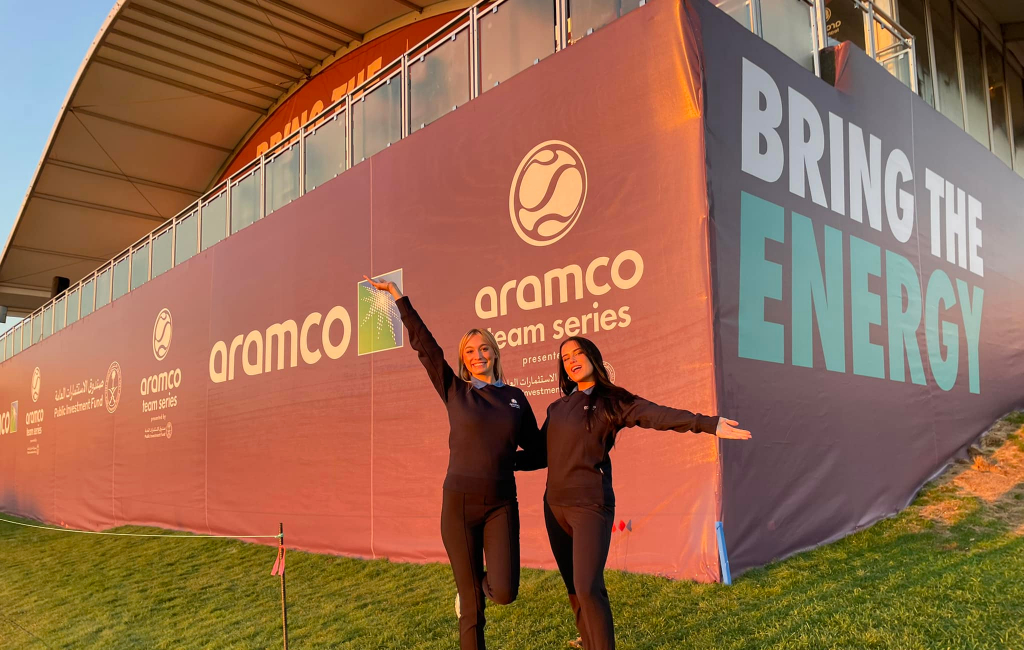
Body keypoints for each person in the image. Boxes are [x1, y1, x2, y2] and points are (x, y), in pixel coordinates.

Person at [518, 336, 751, 650]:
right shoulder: (557, 407)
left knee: (588, 586)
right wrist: (498, 461)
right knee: (574, 587)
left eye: (578, 353)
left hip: (590, 505)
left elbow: (656, 415)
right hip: (554, 506)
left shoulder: (612, 400)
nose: (572, 360)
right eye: (566, 357)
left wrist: (706, 424)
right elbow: (540, 456)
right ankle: (589, 642)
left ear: (593, 357)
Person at [362, 275, 541, 650]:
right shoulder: (455, 391)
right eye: (470, 352)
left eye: (484, 349)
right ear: (463, 359)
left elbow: (537, 451)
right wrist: (398, 298)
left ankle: (471, 585)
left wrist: (510, 462)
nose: (477, 356)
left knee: (505, 591)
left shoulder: (515, 397)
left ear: (495, 352)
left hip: (501, 504)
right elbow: (426, 348)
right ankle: (469, 592)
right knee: (473, 610)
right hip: (459, 504)